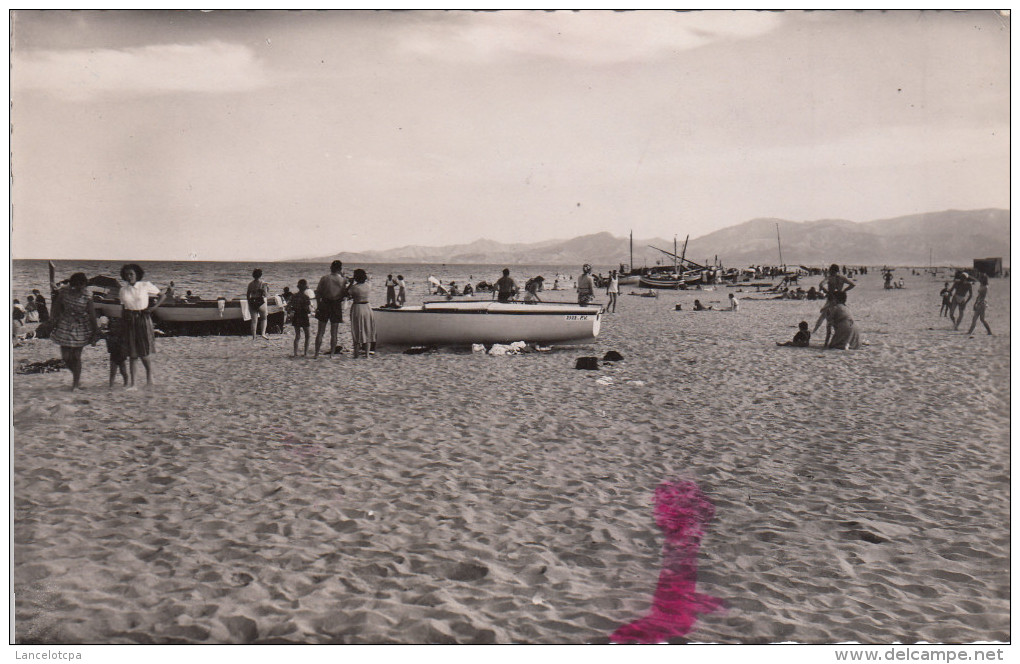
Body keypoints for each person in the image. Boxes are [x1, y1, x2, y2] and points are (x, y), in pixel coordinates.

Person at [119, 263, 169, 388]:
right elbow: (123, 307)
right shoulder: (122, 290)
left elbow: (163, 296)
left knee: (144, 352)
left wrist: (153, 309)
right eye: (126, 274)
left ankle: (149, 377)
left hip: (143, 318)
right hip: (129, 320)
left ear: (137, 274)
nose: (129, 276)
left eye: (131, 274)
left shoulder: (145, 285)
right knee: (132, 353)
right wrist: (122, 322)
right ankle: (133, 384)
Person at [49, 272, 100, 390]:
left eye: (82, 284)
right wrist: (53, 321)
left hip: (81, 325)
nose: (80, 287)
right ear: (72, 283)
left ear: (85, 284)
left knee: (76, 356)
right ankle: (76, 376)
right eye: (77, 284)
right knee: (66, 357)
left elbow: (92, 314)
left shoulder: (87, 295)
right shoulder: (64, 292)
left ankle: (76, 383)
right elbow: (56, 307)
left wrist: (95, 331)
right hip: (65, 325)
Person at [314, 260, 349, 358]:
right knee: (334, 332)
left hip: (324, 303)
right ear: (340, 269)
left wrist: (318, 306)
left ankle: (316, 354)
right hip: (336, 305)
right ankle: (332, 354)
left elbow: (318, 293)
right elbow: (344, 294)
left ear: (331, 268)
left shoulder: (324, 278)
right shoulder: (343, 280)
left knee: (320, 331)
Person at [348, 268, 376, 358]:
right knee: (368, 329)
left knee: (356, 330)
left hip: (357, 307)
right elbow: (369, 278)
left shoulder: (354, 288)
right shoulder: (369, 285)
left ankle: (356, 355)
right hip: (367, 307)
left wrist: (351, 282)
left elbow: (345, 293)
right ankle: (367, 354)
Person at [287, 279, 313, 356]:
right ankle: (305, 353)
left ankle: (295, 353)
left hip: (296, 315)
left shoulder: (294, 296)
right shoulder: (306, 297)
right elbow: (308, 309)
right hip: (304, 316)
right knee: (307, 335)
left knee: (297, 336)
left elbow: (288, 307)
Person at [103, 318, 129, 388]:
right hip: (113, 355)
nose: (113, 329)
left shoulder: (121, 335)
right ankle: (111, 385)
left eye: (115, 327)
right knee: (112, 372)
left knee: (123, 371)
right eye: (112, 327)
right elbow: (99, 334)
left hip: (121, 355)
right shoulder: (108, 335)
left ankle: (126, 382)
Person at [246, 268, 271, 341]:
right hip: (260, 301)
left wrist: (249, 302)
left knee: (254, 321)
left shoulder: (250, 284)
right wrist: (267, 288)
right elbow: (265, 295)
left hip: (252, 301)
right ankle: (263, 333)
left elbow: (248, 295)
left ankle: (254, 337)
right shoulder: (263, 283)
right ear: (261, 275)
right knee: (264, 318)